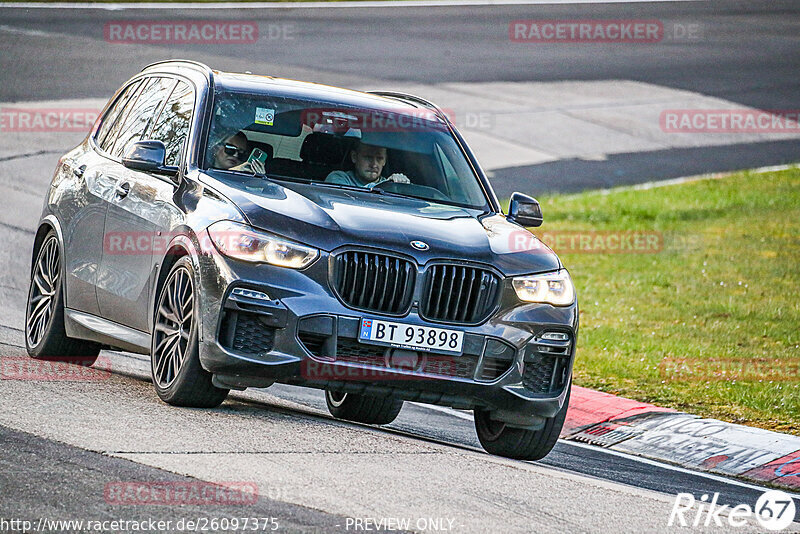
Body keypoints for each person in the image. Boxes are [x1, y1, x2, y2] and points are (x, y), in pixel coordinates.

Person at [325, 141, 409, 188]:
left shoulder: (392, 184)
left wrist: (401, 185)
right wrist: (387, 187)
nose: (374, 164)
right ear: (354, 157)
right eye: (368, 157)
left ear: (385, 161)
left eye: (379, 158)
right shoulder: (338, 178)